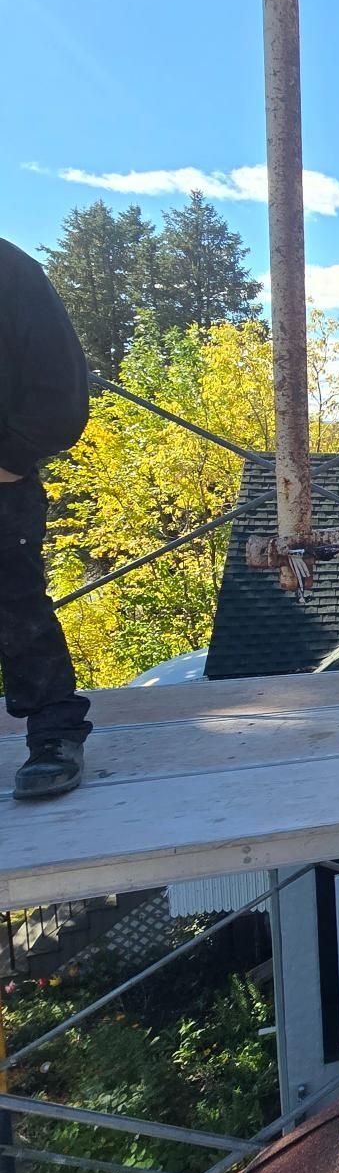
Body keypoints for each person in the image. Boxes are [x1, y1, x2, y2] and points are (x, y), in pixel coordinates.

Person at [0, 237, 93, 799]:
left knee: (16, 605)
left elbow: (61, 385)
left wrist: (10, 460)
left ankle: (54, 735)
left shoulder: (10, 271)